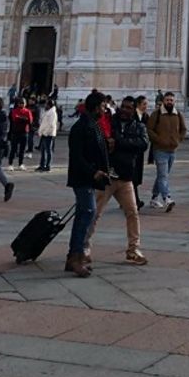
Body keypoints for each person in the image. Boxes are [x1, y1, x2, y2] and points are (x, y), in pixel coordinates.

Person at [84, 95, 149, 266]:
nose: (125, 110)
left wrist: (118, 143)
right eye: (123, 107)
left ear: (134, 110)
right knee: (95, 213)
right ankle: (85, 246)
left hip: (126, 178)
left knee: (132, 213)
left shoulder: (139, 126)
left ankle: (133, 249)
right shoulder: (109, 123)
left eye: (129, 108)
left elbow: (142, 144)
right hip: (108, 176)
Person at [64, 91, 110, 277]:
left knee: (85, 214)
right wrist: (94, 172)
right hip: (82, 177)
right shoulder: (80, 127)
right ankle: (76, 257)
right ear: (95, 107)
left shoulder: (94, 125)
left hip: (90, 177)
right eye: (103, 106)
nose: (105, 109)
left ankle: (74, 257)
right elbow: (76, 156)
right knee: (88, 212)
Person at [146, 90, 186, 211]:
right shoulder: (156, 114)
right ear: (163, 101)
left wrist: (178, 140)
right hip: (160, 149)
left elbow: (183, 129)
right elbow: (149, 129)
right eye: (167, 100)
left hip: (172, 149)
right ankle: (167, 198)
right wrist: (158, 140)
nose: (169, 102)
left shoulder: (177, 114)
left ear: (174, 102)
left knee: (162, 175)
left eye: (171, 100)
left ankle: (154, 198)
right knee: (163, 175)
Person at [132, 95, 150, 207]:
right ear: (138, 104)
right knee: (132, 176)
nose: (146, 106)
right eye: (144, 104)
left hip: (139, 151)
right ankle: (135, 201)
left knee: (136, 176)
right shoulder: (133, 116)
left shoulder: (144, 116)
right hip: (133, 150)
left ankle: (129, 200)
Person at [8, 97, 33, 170]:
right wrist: (24, 118)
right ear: (18, 104)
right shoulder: (14, 110)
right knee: (13, 149)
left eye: (23, 103)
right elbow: (15, 119)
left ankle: (20, 163)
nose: (22, 104)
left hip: (24, 132)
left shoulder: (27, 111)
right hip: (15, 132)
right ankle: (10, 164)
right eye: (20, 103)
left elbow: (30, 121)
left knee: (22, 149)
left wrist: (21, 118)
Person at [36, 97, 58, 171]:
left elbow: (51, 125)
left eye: (46, 104)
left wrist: (45, 132)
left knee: (48, 150)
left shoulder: (52, 113)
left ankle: (48, 166)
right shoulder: (48, 112)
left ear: (49, 105)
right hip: (44, 133)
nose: (45, 105)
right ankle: (42, 165)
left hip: (48, 134)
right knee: (42, 150)